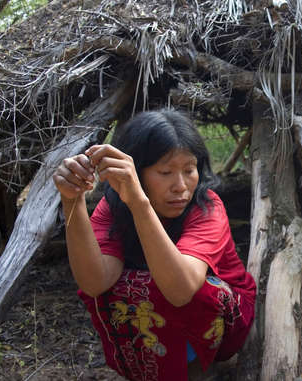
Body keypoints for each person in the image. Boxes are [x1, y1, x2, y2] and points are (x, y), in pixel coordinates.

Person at [52, 110, 256, 380]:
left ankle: (196, 370)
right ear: (138, 172)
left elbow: (181, 290)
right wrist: (72, 200)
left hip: (225, 327)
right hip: (161, 321)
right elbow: (95, 282)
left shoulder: (206, 207)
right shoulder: (114, 207)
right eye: (165, 172)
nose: (181, 186)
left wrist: (139, 203)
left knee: (186, 289)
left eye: (189, 170)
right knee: (120, 289)